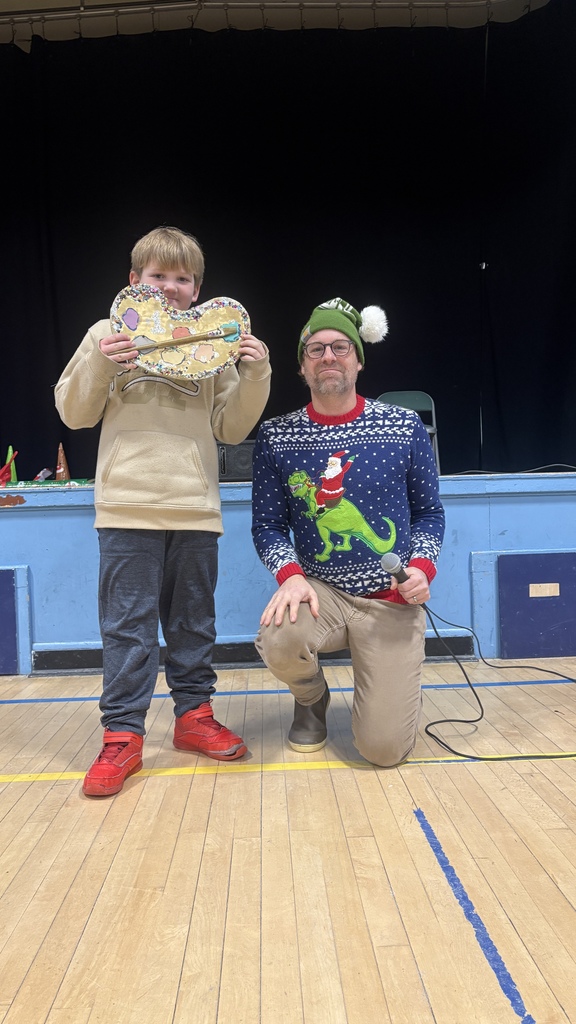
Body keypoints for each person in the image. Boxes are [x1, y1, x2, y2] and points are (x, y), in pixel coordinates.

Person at [55, 225, 271, 796]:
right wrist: (103, 363)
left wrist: (255, 372)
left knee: (193, 623)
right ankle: (122, 737)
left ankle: (192, 718)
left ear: (196, 289)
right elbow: (74, 412)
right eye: (159, 276)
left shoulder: (210, 343)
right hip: (127, 506)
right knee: (127, 629)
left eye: (183, 279)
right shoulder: (107, 332)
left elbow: (231, 427)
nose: (171, 288)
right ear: (135, 281)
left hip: (195, 507)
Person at [251, 297, 444, 767]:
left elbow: (429, 514)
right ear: (302, 366)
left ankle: (379, 692)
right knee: (279, 638)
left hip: (390, 602)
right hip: (322, 594)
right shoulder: (277, 436)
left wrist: (421, 567)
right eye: (316, 350)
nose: (329, 357)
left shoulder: (403, 426)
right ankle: (311, 697)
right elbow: (268, 526)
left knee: (382, 751)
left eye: (340, 347)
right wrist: (290, 575)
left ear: (358, 358)